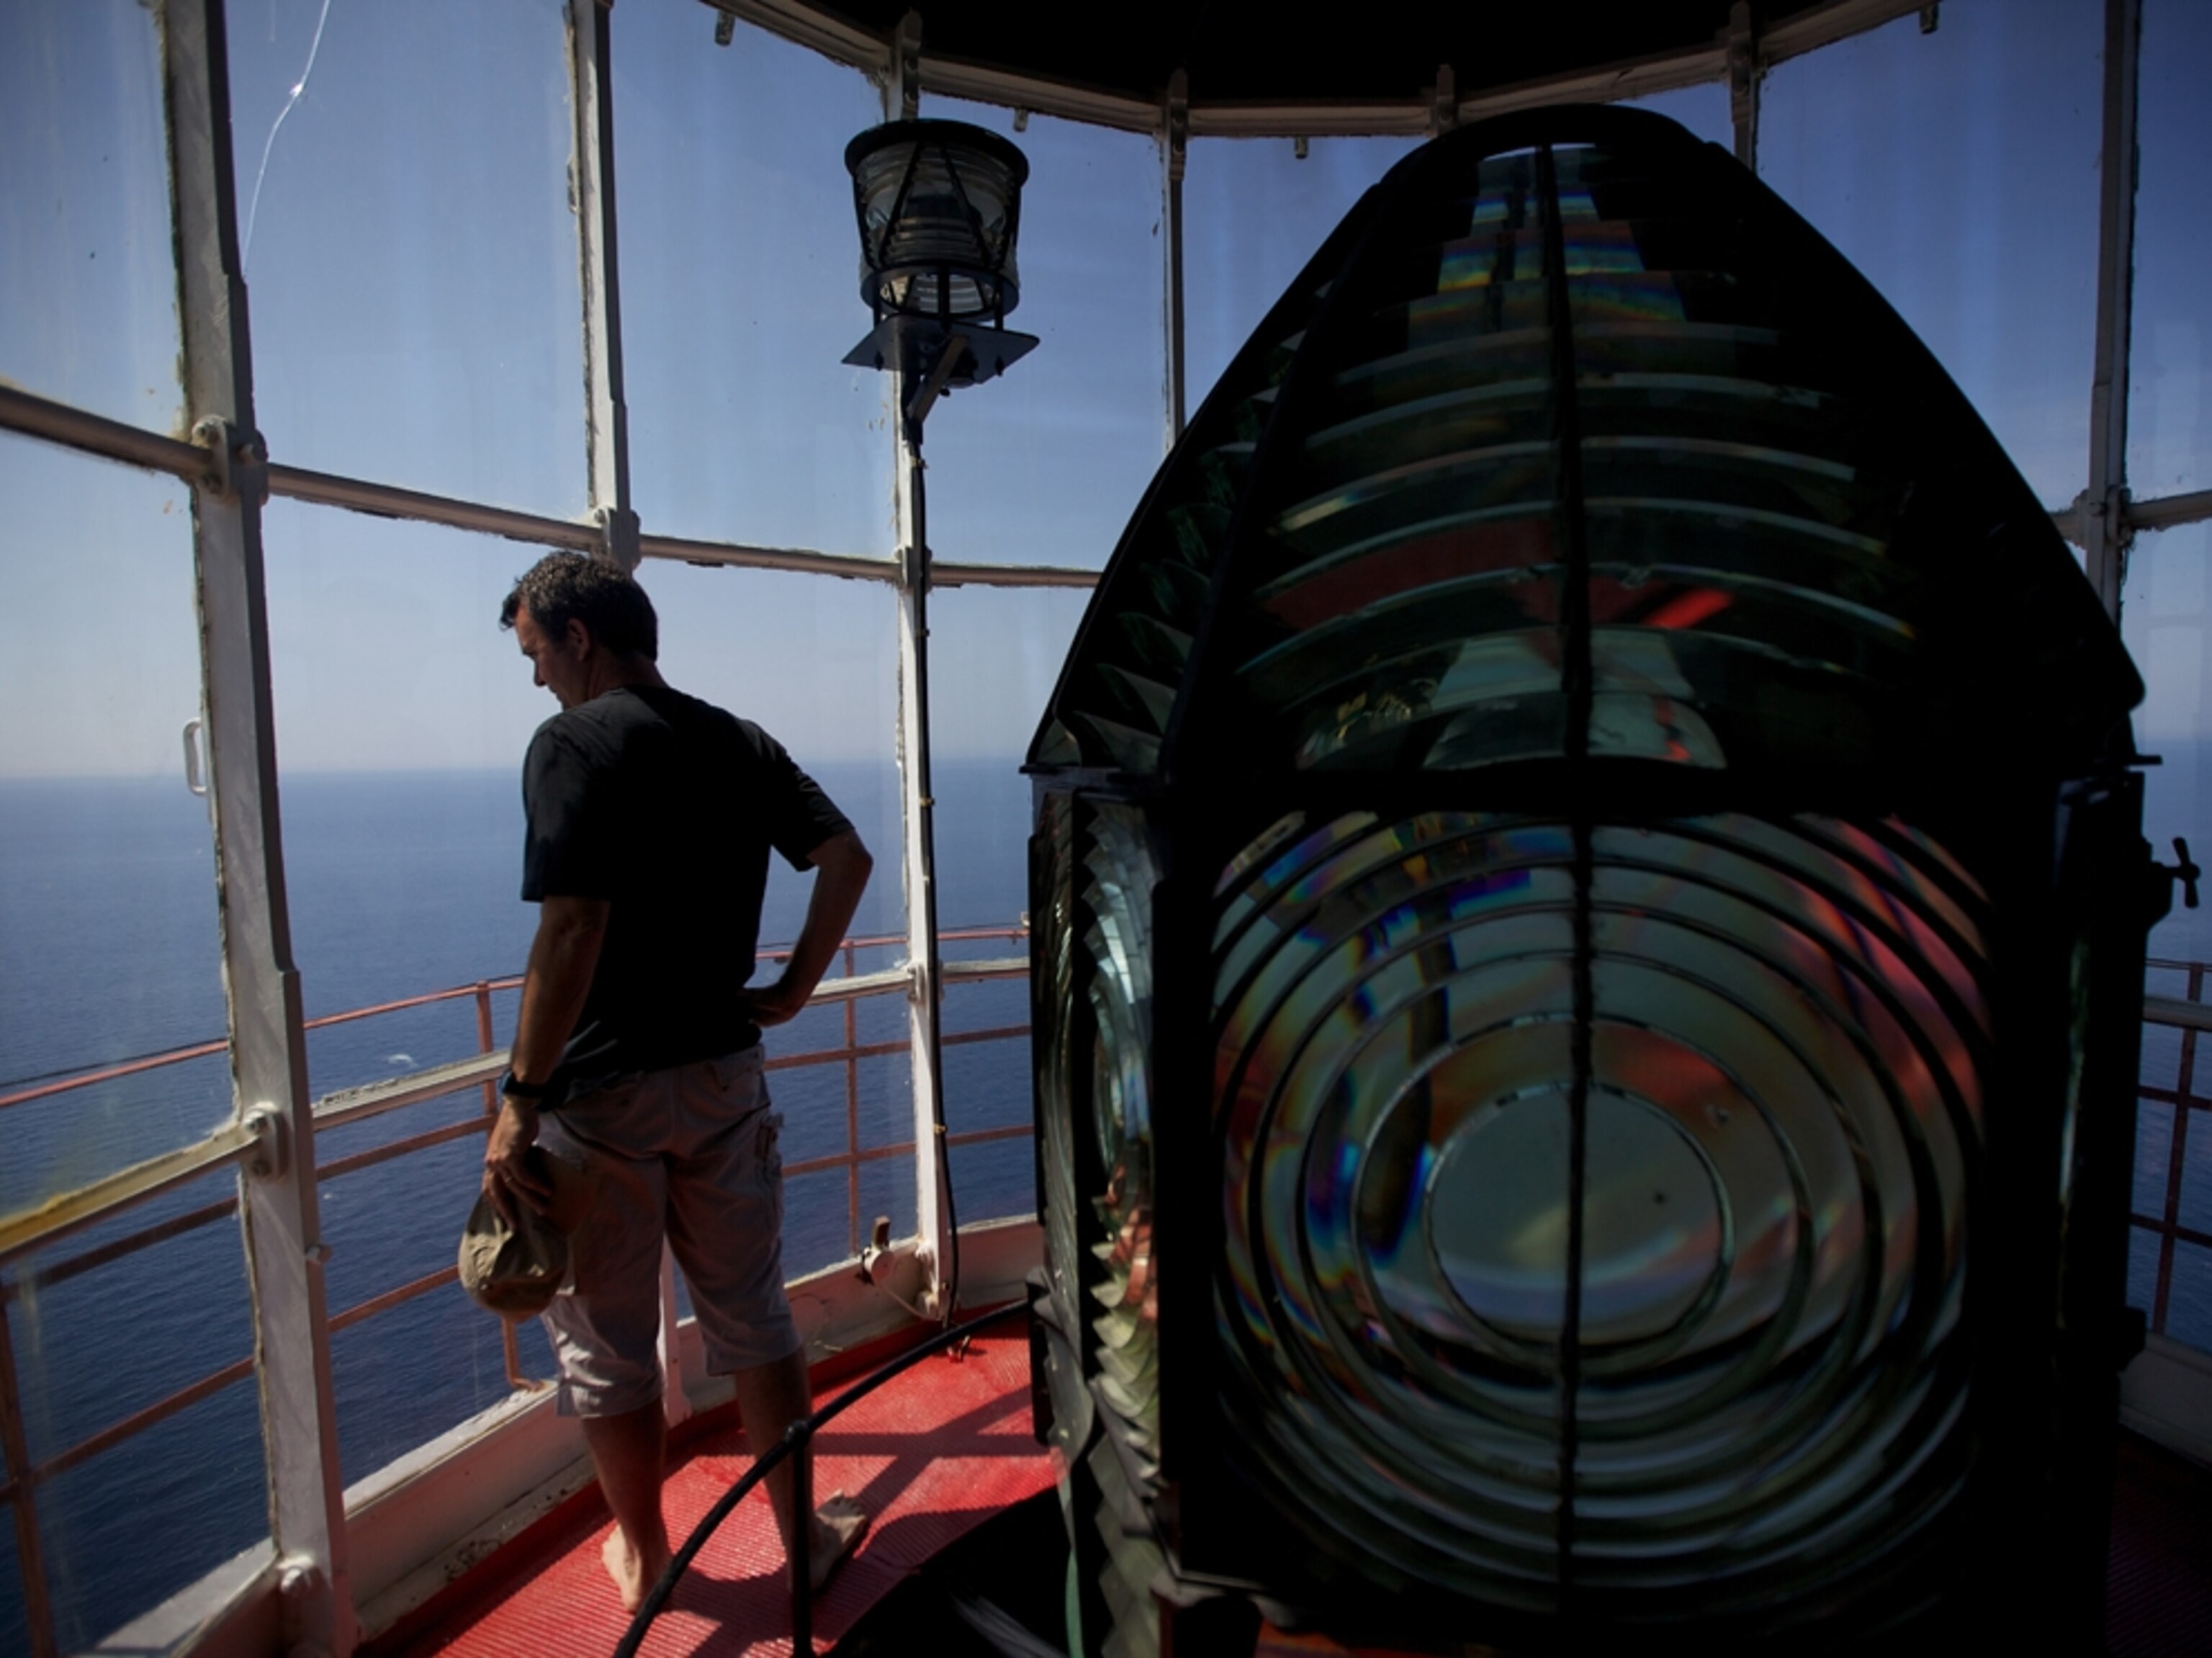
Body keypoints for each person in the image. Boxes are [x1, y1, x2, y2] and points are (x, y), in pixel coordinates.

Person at [480, 551, 873, 1612]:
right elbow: (846, 857)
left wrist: (520, 1096)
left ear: (579, 638)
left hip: (599, 1098)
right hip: (720, 1077)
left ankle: (648, 1559)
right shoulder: (738, 739)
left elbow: (573, 923)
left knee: (608, 1346)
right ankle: (805, 1540)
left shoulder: (569, 744)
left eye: (535, 653)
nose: (535, 680)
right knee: (754, 1318)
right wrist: (789, 984)